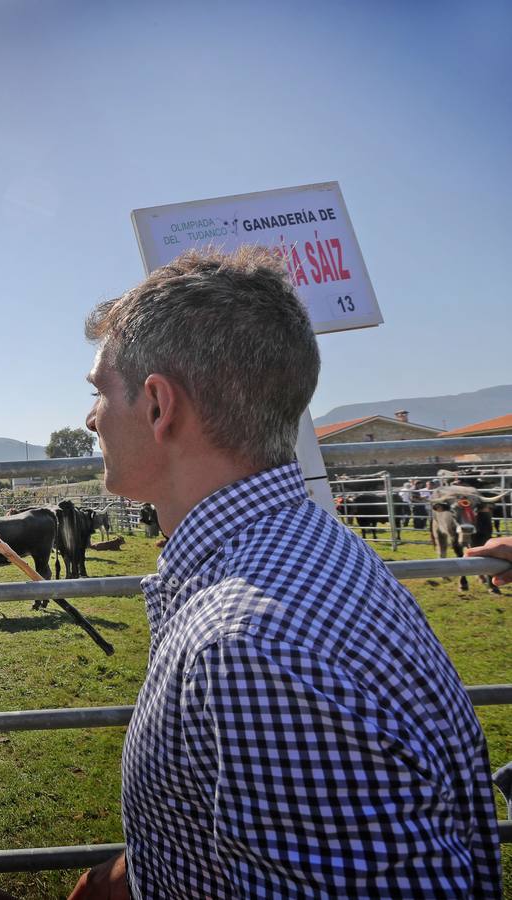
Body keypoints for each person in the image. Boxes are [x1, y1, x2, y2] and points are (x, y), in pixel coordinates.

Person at [68, 247, 501, 898]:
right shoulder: (310, 553)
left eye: (101, 390)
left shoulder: (250, 650)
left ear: (159, 406)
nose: (90, 417)